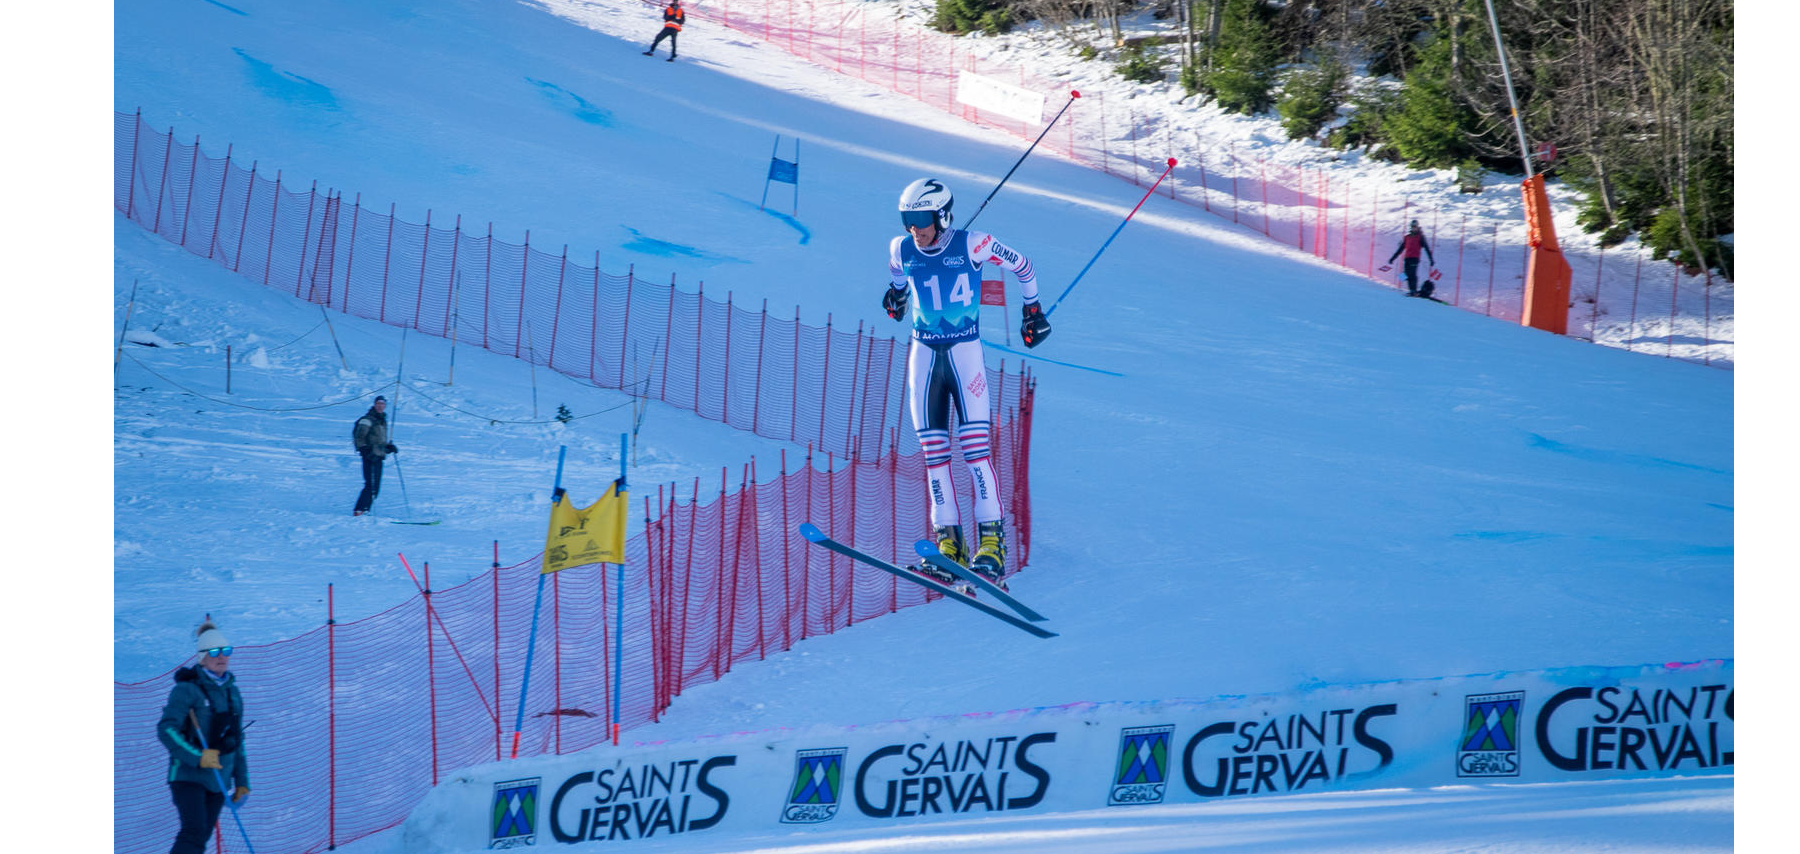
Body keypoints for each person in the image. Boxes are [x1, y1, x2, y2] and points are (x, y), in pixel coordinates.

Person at [882, 177, 1049, 591]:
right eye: (907, 220)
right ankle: (949, 546)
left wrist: (1033, 310)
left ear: (941, 215)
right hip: (923, 357)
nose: (914, 229)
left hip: (964, 355)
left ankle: (991, 546)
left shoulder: (974, 244)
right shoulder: (901, 249)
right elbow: (897, 279)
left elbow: (1023, 265)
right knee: (934, 455)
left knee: (975, 450)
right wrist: (895, 296)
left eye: (921, 219)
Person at [157, 621, 250, 854]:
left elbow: (237, 740)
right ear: (202, 657)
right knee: (194, 833)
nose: (222, 657)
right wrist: (198, 757)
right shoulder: (188, 689)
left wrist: (242, 781)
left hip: (219, 776)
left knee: (200, 838)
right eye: (215, 652)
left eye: (226, 651)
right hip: (188, 775)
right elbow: (166, 729)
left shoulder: (232, 691)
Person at [352, 395, 397, 516]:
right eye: (378, 404)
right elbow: (359, 437)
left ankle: (365, 510)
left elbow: (378, 441)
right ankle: (359, 510)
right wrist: (365, 451)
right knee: (370, 485)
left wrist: (388, 448)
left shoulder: (382, 420)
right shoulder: (367, 419)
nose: (380, 406)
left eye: (383, 404)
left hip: (378, 456)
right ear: (374, 404)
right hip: (369, 456)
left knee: (375, 487)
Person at [1386, 219, 1437, 298]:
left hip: (1415, 258)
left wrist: (1431, 259)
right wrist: (1393, 258)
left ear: (1417, 227)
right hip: (1407, 258)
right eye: (1412, 226)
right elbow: (1401, 249)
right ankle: (1410, 289)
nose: (1414, 228)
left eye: (1415, 226)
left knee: (1412, 274)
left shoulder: (1420, 237)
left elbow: (1426, 248)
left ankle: (1413, 291)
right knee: (1405, 274)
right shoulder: (1407, 237)